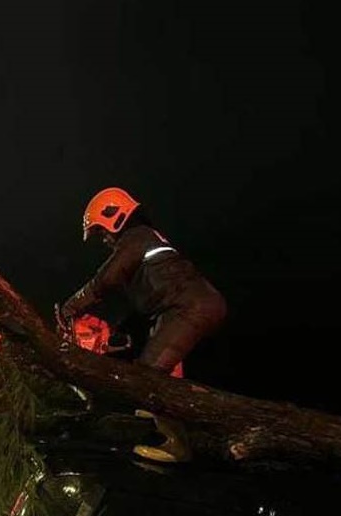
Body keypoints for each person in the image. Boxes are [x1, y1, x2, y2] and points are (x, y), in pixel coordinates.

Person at [61, 186, 227, 463]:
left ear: (114, 216)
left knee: (147, 374)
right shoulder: (144, 241)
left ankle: (177, 446)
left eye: (102, 231)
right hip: (178, 310)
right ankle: (178, 418)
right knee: (168, 376)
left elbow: (106, 279)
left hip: (188, 310)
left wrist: (71, 307)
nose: (103, 240)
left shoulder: (137, 237)